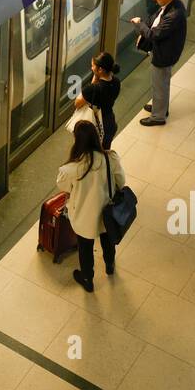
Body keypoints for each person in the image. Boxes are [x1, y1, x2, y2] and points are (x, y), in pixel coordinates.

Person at [55, 120, 128, 293]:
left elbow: (63, 187)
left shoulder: (71, 169)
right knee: (107, 240)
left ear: (77, 141)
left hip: (83, 216)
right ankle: (109, 265)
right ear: (97, 137)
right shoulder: (110, 158)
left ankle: (87, 279)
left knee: (85, 249)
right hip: (107, 213)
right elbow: (121, 182)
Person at [130, 0, 187, 127]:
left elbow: (154, 35)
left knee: (160, 84)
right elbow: (154, 19)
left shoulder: (174, 14)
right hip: (163, 50)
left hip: (164, 54)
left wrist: (139, 24)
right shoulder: (168, 5)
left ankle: (158, 116)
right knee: (162, 83)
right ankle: (160, 107)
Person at [75, 52, 122, 149]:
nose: (91, 68)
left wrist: (94, 80)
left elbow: (77, 103)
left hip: (95, 126)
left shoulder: (93, 89)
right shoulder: (116, 82)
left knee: (92, 153)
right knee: (104, 150)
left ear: (100, 69)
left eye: (93, 66)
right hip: (109, 122)